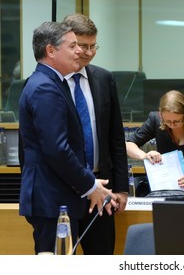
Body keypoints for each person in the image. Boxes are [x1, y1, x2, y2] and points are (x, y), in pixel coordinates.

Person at [18, 21, 117, 255]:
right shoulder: (45, 87)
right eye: (73, 46)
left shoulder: (53, 83)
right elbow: (57, 149)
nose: (79, 51)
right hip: (51, 200)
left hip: (58, 197)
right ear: (51, 51)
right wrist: (90, 185)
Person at [62, 13, 128, 255]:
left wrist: (121, 188)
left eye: (93, 46)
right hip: (63, 191)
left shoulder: (103, 78)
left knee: (101, 259)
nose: (88, 53)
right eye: (81, 46)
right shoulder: (49, 82)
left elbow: (115, 138)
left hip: (102, 189)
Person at [126, 90, 184, 201]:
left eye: (177, 121)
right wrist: (144, 155)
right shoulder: (155, 119)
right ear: (160, 114)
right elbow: (128, 144)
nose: (172, 125)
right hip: (167, 190)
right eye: (167, 121)